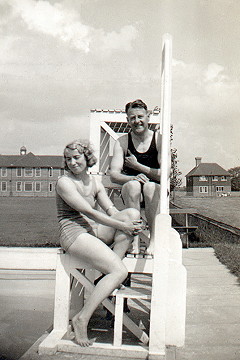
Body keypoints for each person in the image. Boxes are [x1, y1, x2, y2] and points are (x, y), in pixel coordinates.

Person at [55, 139, 143, 347]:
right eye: (68, 159)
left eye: (76, 157)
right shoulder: (64, 182)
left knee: (130, 213)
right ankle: (82, 318)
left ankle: (107, 275)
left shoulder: (95, 182)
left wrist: (129, 222)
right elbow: (90, 212)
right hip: (73, 233)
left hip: (91, 231)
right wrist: (123, 227)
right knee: (120, 272)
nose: (72, 163)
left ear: (87, 157)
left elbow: (112, 211)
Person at [110, 99, 162, 256]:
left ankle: (153, 240)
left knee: (150, 186)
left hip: (155, 193)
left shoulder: (159, 140)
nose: (137, 121)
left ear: (148, 117)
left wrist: (138, 167)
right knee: (134, 186)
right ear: (127, 120)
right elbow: (114, 175)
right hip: (132, 194)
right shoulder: (122, 142)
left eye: (140, 116)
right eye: (132, 118)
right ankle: (135, 241)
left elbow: (165, 174)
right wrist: (133, 178)